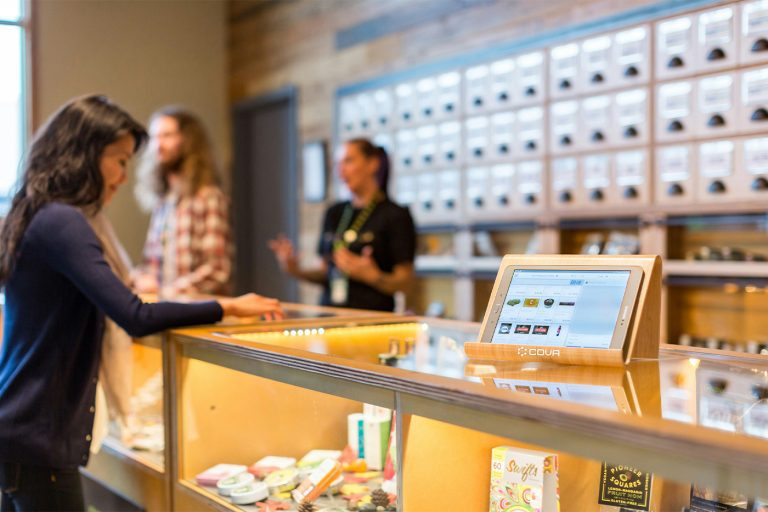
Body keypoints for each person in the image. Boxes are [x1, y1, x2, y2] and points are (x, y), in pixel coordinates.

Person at [0, 95, 283, 512]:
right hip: (37, 434)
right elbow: (135, 314)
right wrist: (228, 306)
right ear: (85, 156)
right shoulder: (62, 221)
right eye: (118, 160)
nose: (122, 176)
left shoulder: (37, 213)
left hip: (23, 430)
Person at [269, 138, 416, 312]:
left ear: (373, 164)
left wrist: (373, 276)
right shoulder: (334, 213)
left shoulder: (395, 215)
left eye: (349, 161)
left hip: (372, 321)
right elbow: (326, 273)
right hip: (330, 318)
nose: (341, 170)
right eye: (338, 164)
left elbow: (406, 282)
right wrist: (293, 269)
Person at [132, 106, 232, 297]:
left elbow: (216, 271)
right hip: (166, 312)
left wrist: (164, 291)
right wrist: (139, 278)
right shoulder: (163, 202)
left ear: (188, 140)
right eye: (155, 137)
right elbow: (151, 266)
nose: (158, 145)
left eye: (167, 135)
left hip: (198, 316)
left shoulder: (208, 197)